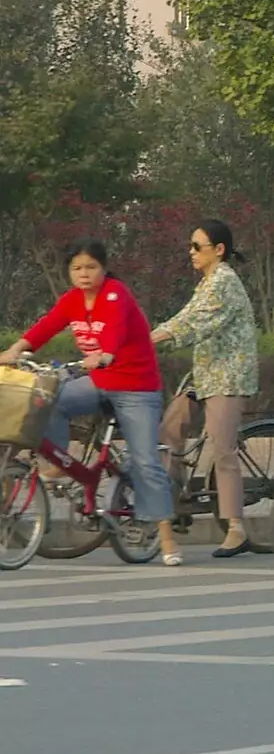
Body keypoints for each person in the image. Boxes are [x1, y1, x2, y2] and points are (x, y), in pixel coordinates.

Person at [0, 239, 180, 565]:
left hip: (136, 387)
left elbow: (113, 329)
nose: (84, 274)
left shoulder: (115, 294)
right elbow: (46, 326)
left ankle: (167, 539)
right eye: (77, 268)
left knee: (144, 461)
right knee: (47, 398)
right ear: (69, 272)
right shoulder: (72, 300)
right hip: (98, 381)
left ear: (104, 267)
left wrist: (105, 354)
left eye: (91, 267)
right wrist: (15, 350)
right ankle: (58, 463)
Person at [151, 219, 260, 560]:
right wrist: (152, 335)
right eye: (191, 246)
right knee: (170, 427)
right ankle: (174, 503)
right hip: (204, 374)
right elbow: (184, 316)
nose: (191, 252)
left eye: (197, 246)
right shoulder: (207, 283)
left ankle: (236, 528)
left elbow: (194, 323)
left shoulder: (224, 281)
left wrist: (153, 337)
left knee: (221, 446)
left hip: (228, 376)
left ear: (219, 250)